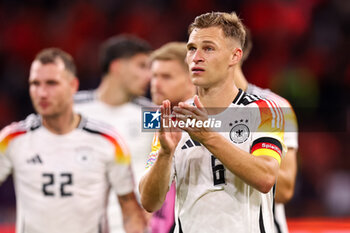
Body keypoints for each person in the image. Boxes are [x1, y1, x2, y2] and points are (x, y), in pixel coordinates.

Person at [139, 12, 286, 233]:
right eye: (191, 49)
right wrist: (165, 155)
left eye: (208, 48)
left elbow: (266, 177)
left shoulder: (265, 110)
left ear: (234, 56)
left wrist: (207, 136)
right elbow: (149, 202)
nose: (196, 57)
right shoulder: (173, 118)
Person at [0, 48, 146, 233]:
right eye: (35, 84)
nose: (42, 93)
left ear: (73, 86)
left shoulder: (108, 140)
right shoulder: (12, 139)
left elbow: (129, 209)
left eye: (51, 83)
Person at [74, 35, 154, 232]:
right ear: (117, 66)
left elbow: (211, 123)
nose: (149, 76)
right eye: (142, 66)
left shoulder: (150, 114)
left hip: (131, 226)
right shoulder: (73, 109)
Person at [234, 29, 298, 233]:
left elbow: (284, 190)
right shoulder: (191, 111)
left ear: (235, 54)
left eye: (209, 48)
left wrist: (218, 148)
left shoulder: (274, 107)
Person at [148, 42, 196, 233]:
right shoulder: (157, 119)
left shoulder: (211, 124)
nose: (156, 84)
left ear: (192, 79)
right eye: (154, 76)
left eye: (166, 77)